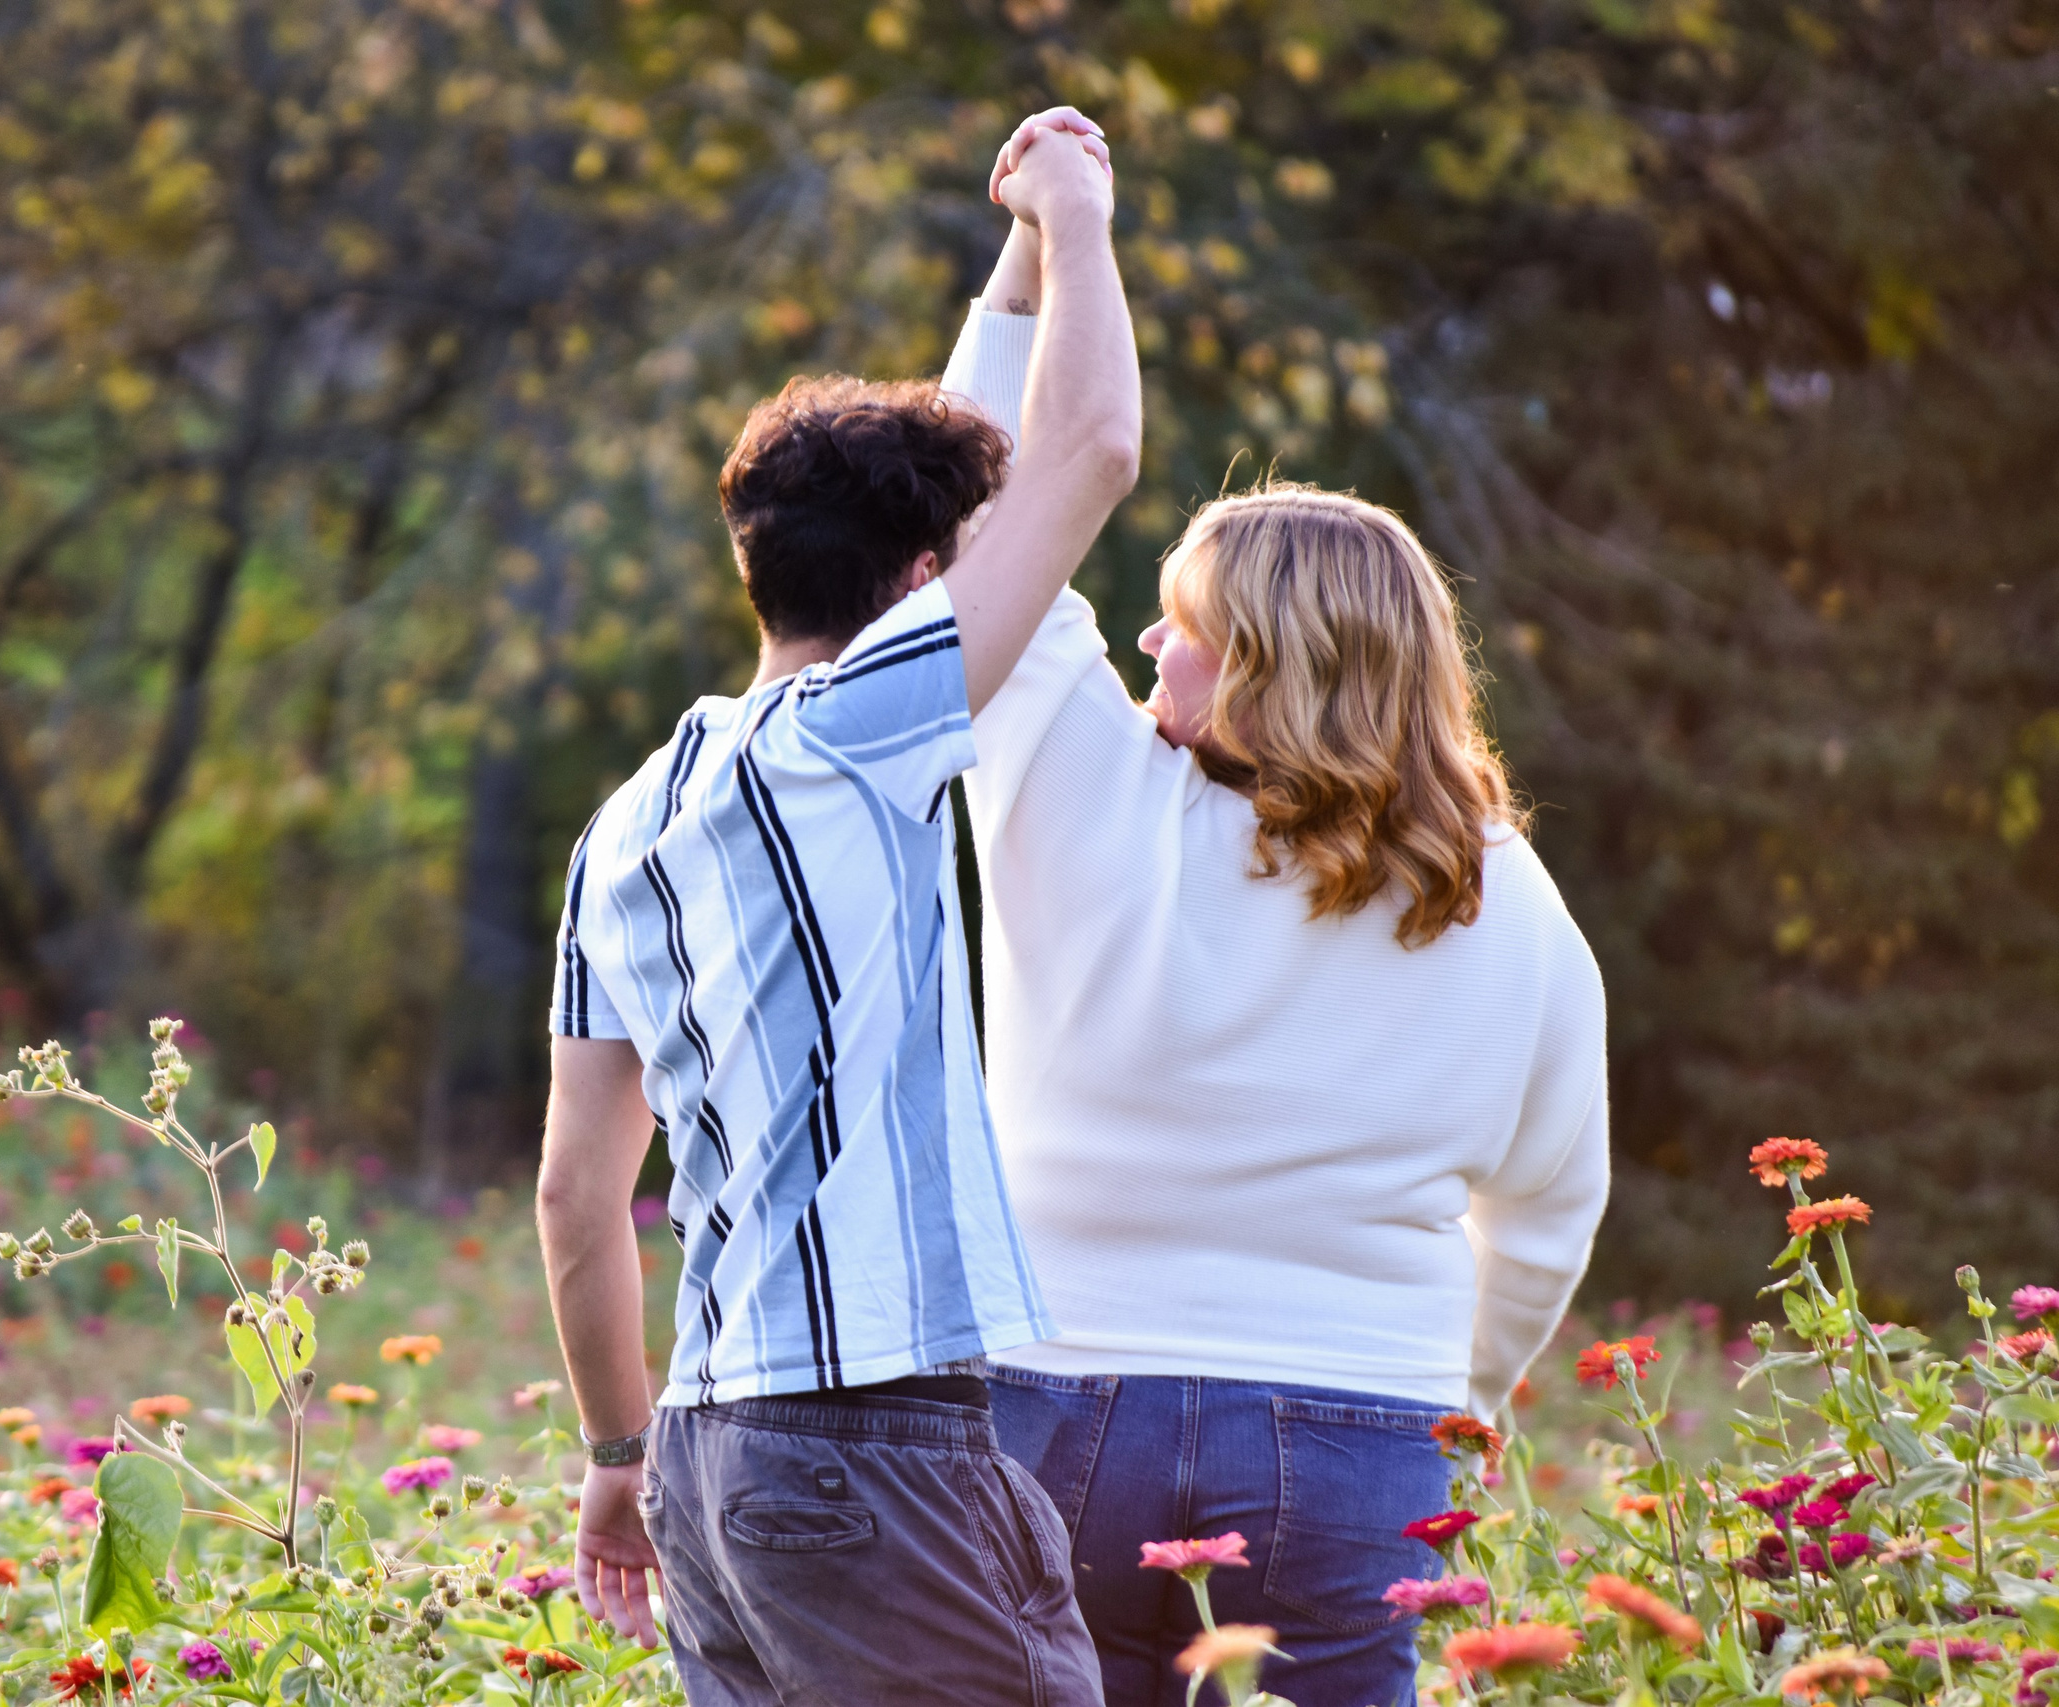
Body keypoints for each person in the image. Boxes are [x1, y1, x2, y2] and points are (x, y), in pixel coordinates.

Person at [938, 178, 1611, 1707]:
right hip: (1361, 1434)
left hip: (1059, 1423)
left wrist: (1041, 253)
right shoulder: (1509, 898)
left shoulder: (1067, 775)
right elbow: (1555, 1210)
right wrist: (1460, 1416)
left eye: (1186, 622)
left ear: (1270, 662)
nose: (1147, 640)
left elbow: (976, 502)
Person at [533, 111, 1137, 1706]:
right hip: (877, 1440)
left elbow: (575, 1198)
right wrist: (1078, 217)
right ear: (925, 580)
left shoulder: (625, 826)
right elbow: (1094, 458)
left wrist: (614, 1448)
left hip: (711, 1465)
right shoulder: (860, 741)